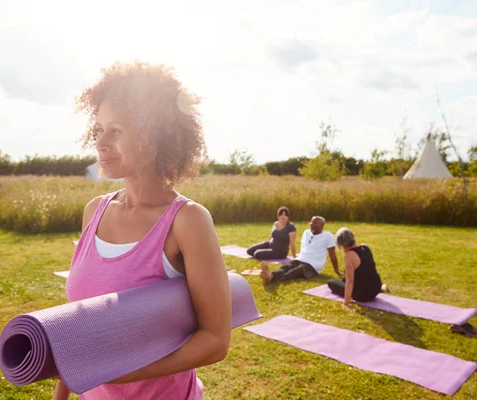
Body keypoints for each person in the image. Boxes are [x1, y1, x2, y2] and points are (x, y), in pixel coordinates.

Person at [55, 61, 231, 400]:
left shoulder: (188, 221)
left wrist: (125, 371)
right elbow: (80, 330)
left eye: (116, 130)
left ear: (153, 135)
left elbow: (215, 340)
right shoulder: (95, 211)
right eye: (99, 130)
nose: (101, 143)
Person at [260, 216, 341, 284]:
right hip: (301, 259)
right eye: (311, 222)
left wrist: (337, 271)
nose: (311, 224)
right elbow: (304, 247)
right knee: (286, 266)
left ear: (322, 225)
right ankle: (270, 274)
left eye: (315, 223)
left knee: (294, 272)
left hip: (313, 266)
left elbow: (332, 255)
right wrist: (298, 256)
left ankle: (271, 277)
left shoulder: (327, 236)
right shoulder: (306, 232)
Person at [327, 228, 384, 309]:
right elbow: (366, 268)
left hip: (362, 295)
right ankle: (380, 288)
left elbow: (350, 281)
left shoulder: (349, 256)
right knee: (344, 279)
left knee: (331, 282)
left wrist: (346, 303)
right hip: (376, 289)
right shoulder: (365, 247)